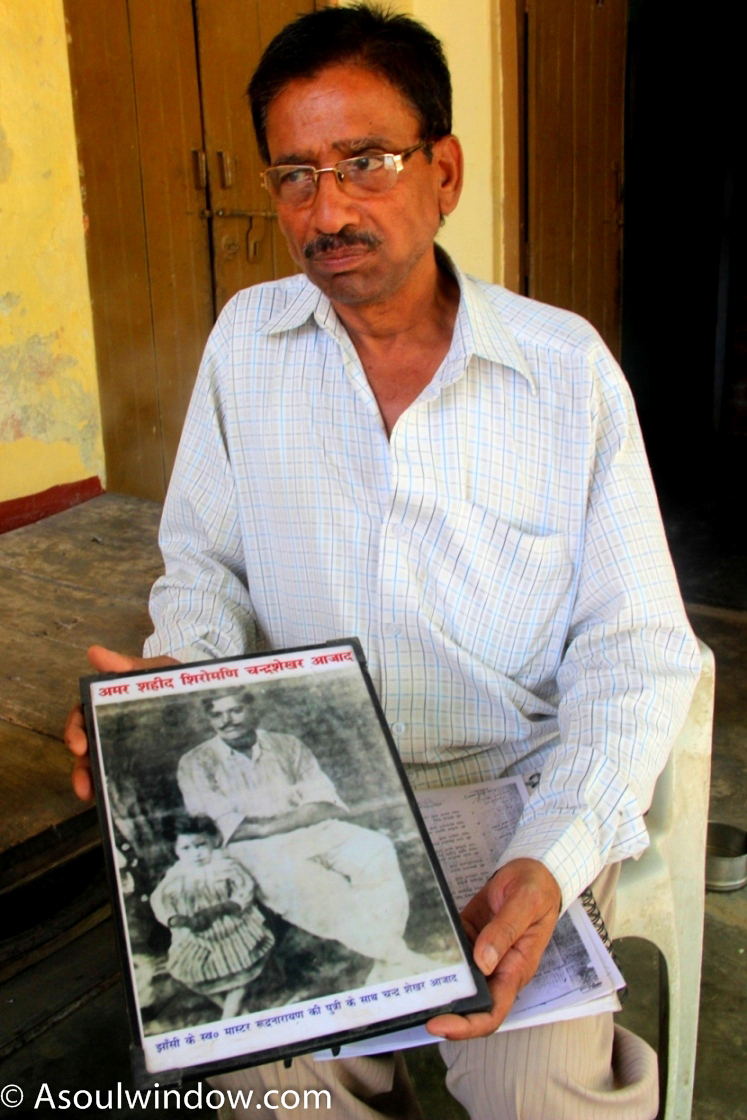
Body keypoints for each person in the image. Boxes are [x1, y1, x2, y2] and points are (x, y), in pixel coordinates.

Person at [65, 5, 701, 1117]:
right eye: (296, 174)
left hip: (515, 799)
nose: (328, 209)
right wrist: (163, 717)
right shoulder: (246, 347)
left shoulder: (566, 374)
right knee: (264, 1080)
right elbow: (202, 572)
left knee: (547, 1092)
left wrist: (555, 854)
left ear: (443, 171)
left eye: (367, 163)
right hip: (307, 804)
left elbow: (637, 651)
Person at [176, 690, 446, 983]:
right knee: (315, 885)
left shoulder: (287, 745)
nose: (228, 721)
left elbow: (323, 803)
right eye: (217, 714)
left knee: (375, 848)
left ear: (253, 709)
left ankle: (387, 958)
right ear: (208, 718)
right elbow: (227, 828)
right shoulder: (196, 762)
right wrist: (273, 827)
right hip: (252, 849)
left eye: (235, 710)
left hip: (312, 831)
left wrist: (267, 826)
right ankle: (398, 958)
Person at [150, 813, 275, 1020]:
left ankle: (228, 1017)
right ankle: (235, 1010)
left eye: (201, 845)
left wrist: (225, 906)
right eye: (186, 849)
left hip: (232, 927)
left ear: (212, 842)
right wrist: (176, 919)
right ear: (176, 850)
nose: (196, 854)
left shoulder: (224, 865)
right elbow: (160, 900)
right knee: (189, 972)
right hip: (196, 933)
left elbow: (244, 887)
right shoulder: (177, 873)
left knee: (242, 974)